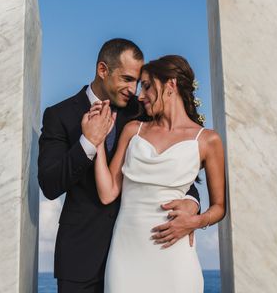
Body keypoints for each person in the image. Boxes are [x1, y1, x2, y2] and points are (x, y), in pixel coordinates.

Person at [38, 40, 201, 293]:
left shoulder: (143, 111)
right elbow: (49, 185)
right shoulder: (59, 116)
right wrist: (88, 143)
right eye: (126, 78)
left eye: (137, 81)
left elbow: (176, 165)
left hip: (143, 251)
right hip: (81, 256)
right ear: (103, 70)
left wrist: (192, 201)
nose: (133, 88)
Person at [92, 55, 226, 293]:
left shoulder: (208, 140)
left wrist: (195, 221)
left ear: (171, 85)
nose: (140, 95)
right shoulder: (133, 130)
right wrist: (98, 141)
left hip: (174, 255)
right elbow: (107, 193)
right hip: (126, 254)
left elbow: (219, 207)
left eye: (146, 86)